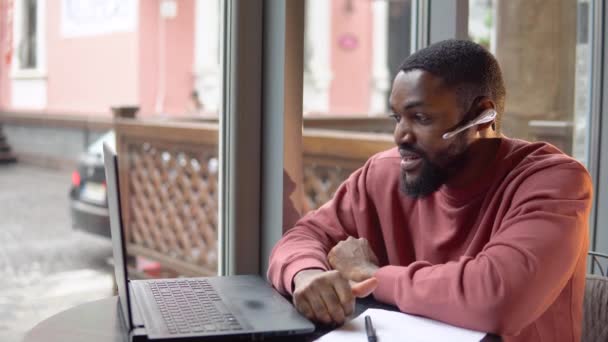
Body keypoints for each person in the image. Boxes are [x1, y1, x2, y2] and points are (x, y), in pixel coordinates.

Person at [267, 39, 592, 342]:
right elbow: (302, 237)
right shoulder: (382, 173)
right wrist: (306, 274)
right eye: (398, 118)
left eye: (420, 117)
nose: (400, 136)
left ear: (482, 118)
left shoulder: (554, 180)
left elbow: (497, 298)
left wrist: (372, 276)